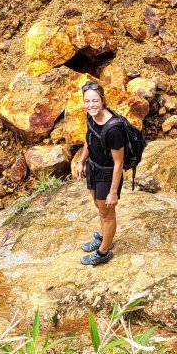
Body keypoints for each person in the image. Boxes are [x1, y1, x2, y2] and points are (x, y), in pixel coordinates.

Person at [74, 82, 124, 266]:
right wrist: (81, 162)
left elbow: (119, 163)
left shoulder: (114, 129)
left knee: (107, 214)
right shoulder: (91, 116)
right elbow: (89, 139)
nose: (91, 105)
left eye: (95, 100)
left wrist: (113, 192)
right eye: (87, 101)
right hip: (93, 168)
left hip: (107, 174)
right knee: (98, 205)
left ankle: (103, 252)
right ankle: (104, 237)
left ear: (103, 100)